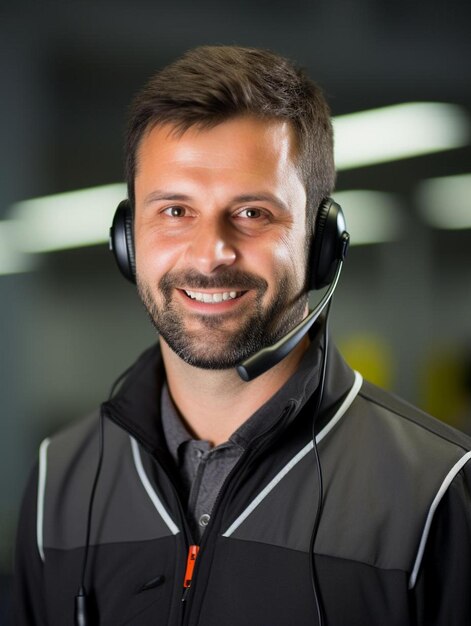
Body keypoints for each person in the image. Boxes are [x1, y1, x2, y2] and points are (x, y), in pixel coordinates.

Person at [13, 46, 471, 626]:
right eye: (175, 211)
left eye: (253, 213)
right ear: (128, 239)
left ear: (322, 242)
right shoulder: (63, 477)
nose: (211, 253)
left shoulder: (434, 489)